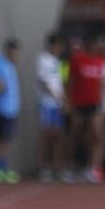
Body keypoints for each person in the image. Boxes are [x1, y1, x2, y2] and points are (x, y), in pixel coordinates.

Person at [68, 35, 105, 182]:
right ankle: (70, 165)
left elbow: (101, 84)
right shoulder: (77, 59)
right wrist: (69, 102)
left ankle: (92, 168)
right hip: (78, 104)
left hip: (94, 105)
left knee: (97, 135)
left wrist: (101, 103)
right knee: (75, 135)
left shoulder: (100, 61)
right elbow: (70, 81)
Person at [36, 32, 67, 182]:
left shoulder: (58, 62)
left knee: (58, 136)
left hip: (57, 105)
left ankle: (57, 167)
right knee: (46, 135)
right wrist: (55, 96)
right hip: (46, 104)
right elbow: (43, 82)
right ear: (53, 45)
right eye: (59, 45)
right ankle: (44, 168)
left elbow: (60, 83)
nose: (60, 49)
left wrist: (63, 99)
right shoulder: (43, 59)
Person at [0, 38, 21, 184]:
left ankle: (1, 167)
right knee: (1, 141)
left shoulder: (11, 66)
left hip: (12, 109)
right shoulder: (2, 65)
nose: (16, 55)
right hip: (3, 109)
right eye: (14, 52)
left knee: (5, 140)